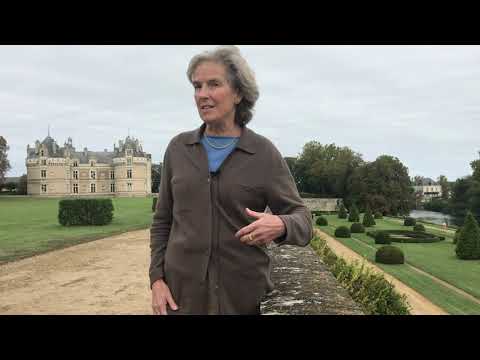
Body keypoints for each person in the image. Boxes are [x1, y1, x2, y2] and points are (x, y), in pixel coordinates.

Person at [149, 45, 313, 315]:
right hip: (182, 298)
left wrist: (281, 224)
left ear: (238, 92)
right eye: (197, 86)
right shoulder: (178, 149)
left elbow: (303, 220)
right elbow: (162, 221)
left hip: (242, 299)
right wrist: (156, 280)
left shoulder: (263, 153)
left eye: (214, 84)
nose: (203, 95)